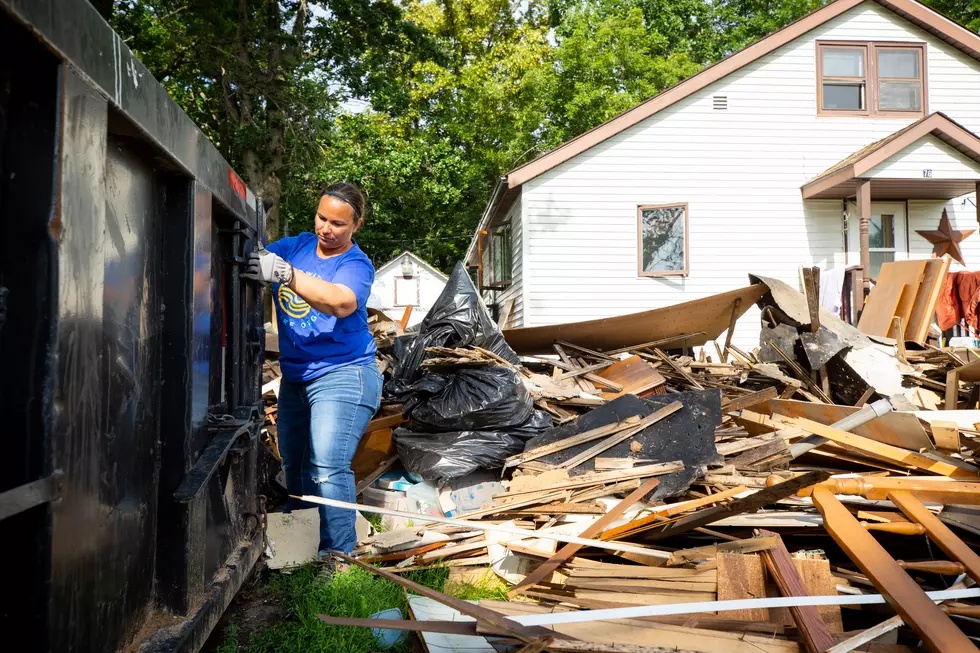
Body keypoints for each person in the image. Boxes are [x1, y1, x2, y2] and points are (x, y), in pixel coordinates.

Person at [245, 182, 381, 557]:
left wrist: (287, 275)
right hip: (297, 376)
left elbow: (340, 302)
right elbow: (250, 258)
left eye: (338, 223)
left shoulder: (355, 264)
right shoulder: (296, 246)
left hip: (344, 373)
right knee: (297, 464)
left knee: (327, 464)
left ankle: (339, 558)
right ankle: (298, 549)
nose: (326, 228)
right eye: (322, 217)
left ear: (357, 225)